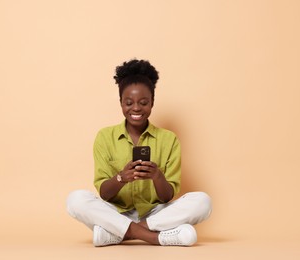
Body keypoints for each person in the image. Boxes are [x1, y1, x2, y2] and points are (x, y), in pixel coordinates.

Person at [66, 59, 211, 247]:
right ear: (120, 103)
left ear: (152, 103)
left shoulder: (169, 139)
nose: (136, 108)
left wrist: (157, 176)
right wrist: (121, 178)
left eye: (143, 102)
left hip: (155, 213)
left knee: (203, 201)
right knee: (75, 199)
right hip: (115, 211)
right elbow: (104, 194)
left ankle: (118, 233)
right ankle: (153, 237)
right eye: (129, 102)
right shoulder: (104, 137)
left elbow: (167, 197)